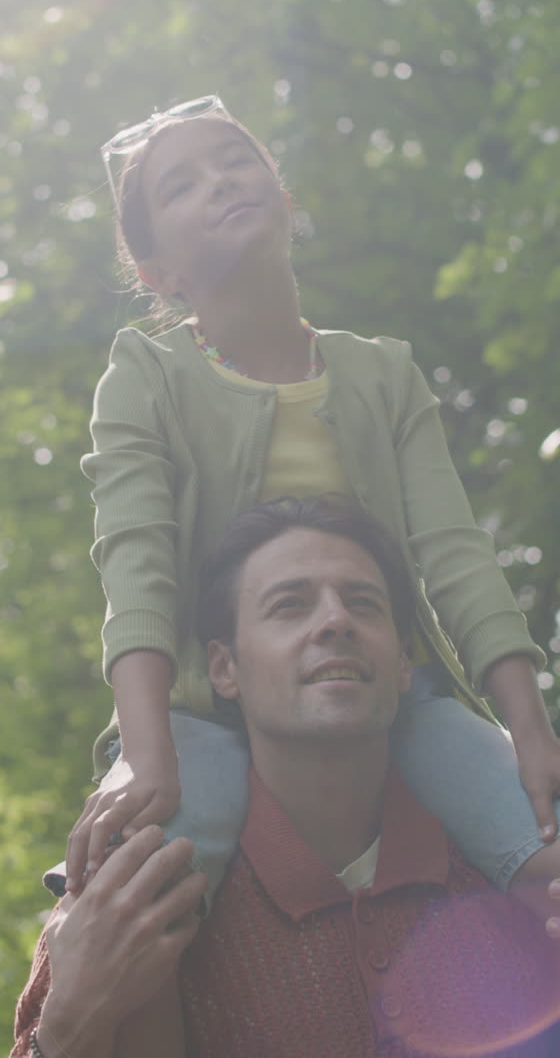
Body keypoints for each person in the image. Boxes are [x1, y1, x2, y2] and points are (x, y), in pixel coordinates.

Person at [61, 94, 560, 920]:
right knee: (147, 880)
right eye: (180, 186)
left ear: (284, 201)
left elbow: (456, 555)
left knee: (534, 829)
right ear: (157, 275)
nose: (219, 182)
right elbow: (135, 565)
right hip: (200, 707)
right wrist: (143, 754)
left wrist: (531, 731)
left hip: (395, 686)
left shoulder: (384, 374)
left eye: (234, 160)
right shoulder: (146, 378)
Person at [14, 497, 560, 1058]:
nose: (336, 621)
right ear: (225, 668)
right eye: (290, 605)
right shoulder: (132, 905)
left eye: (363, 603)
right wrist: (69, 1023)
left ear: (403, 664)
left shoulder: (521, 886)